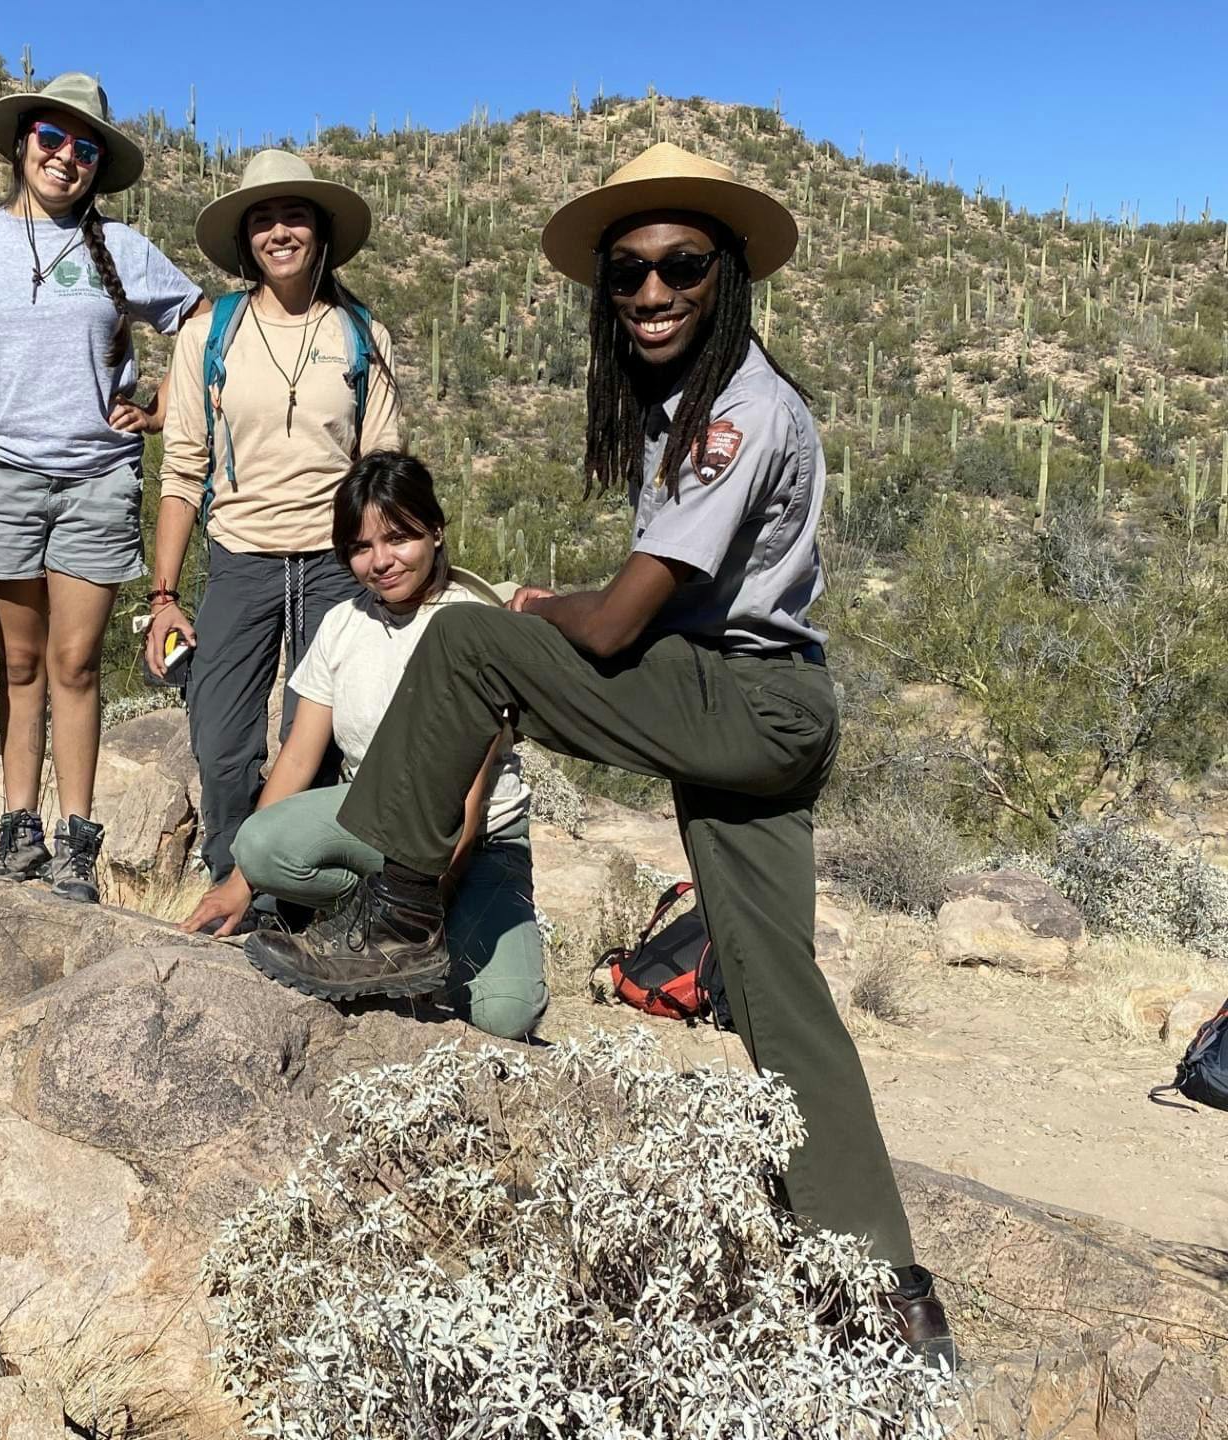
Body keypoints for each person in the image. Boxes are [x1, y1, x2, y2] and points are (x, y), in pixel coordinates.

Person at [242, 143, 958, 1367]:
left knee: (470, 642)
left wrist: (538, 605)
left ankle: (404, 911)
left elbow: (623, 620)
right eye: (627, 274)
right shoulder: (695, 407)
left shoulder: (736, 409)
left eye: (681, 265)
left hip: (742, 701)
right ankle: (886, 1287)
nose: (652, 291)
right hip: (757, 708)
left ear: (727, 272)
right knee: (778, 992)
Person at [0, 72, 206, 904]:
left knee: (75, 662)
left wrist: (156, 406)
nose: (66, 156)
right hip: (0, 476)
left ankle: (77, 841)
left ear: (99, 163)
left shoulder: (126, 250)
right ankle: (17, 830)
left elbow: (200, 317)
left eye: (85, 147)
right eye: (53, 139)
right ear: (22, 145)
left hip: (99, 477)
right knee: (19, 661)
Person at [183, 452, 546, 1039]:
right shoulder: (342, 624)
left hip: (477, 847)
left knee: (507, 1014)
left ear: (435, 530)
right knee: (262, 844)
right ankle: (372, 915)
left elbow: (470, 804)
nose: (380, 562)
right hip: (373, 822)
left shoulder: (474, 623)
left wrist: (422, 915)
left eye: (398, 538)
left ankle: (405, 933)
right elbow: (300, 756)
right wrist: (240, 882)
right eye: (360, 546)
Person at [151, 150, 402, 909]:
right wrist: (163, 595)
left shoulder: (362, 335)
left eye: (293, 215)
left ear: (321, 232)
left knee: (315, 742)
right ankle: (230, 874)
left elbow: (382, 468)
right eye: (262, 218)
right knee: (222, 744)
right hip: (241, 559)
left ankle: (285, 900)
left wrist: (392, 576)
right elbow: (181, 470)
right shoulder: (208, 336)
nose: (279, 231)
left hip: (333, 567)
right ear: (245, 239)